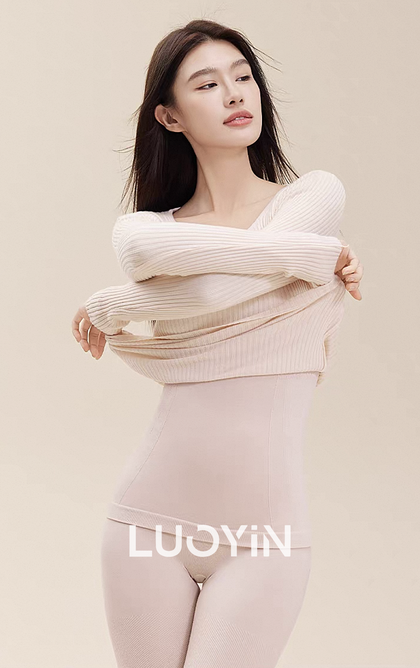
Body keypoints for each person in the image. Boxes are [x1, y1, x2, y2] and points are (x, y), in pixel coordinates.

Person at [71, 19, 363, 668]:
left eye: (243, 77)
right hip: (148, 521)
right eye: (207, 84)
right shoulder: (146, 231)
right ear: (170, 116)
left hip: (265, 536)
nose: (234, 94)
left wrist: (114, 303)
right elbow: (206, 288)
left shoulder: (314, 197)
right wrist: (312, 258)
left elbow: (217, 289)